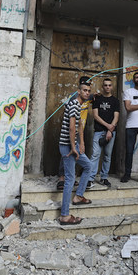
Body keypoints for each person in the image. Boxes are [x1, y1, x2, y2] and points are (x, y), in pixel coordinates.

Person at [58, 81, 93, 225]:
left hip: (74, 145)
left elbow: (79, 126)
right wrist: (73, 147)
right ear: (78, 91)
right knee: (70, 179)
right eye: (84, 90)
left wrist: (81, 143)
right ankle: (64, 216)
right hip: (67, 146)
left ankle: (78, 196)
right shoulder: (73, 104)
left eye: (88, 90)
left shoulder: (78, 105)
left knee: (88, 167)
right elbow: (72, 128)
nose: (87, 92)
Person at [88, 78, 120, 188]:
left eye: (109, 85)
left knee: (107, 156)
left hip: (111, 133)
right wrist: (108, 127)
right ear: (102, 87)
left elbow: (116, 117)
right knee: (95, 155)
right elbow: (95, 116)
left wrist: (110, 131)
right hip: (99, 131)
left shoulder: (115, 101)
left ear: (112, 87)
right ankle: (90, 179)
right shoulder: (97, 99)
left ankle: (104, 178)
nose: (107, 87)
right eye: (105, 85)